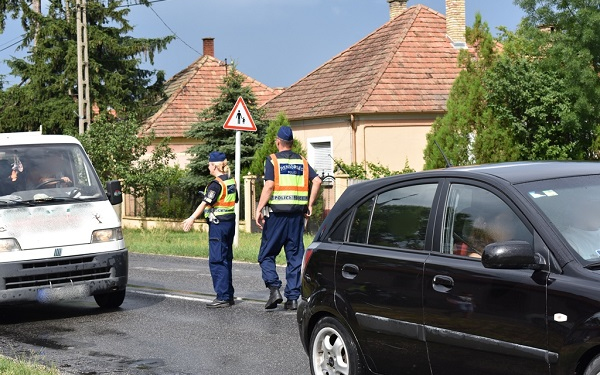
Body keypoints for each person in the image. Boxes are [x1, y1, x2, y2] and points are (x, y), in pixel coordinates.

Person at [255, 126, 322, 310]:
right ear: (291, 143)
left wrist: (259, 208)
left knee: (267, 254)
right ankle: (292, 299)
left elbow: (269, 186)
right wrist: (309, 204)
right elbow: (317, 181)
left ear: (278, 141)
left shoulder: (272, 160)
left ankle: (274, 288)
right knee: (294, 256)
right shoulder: (302, 161)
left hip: (276, 216)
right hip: (296, 217)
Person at [182, 151, 238, 308]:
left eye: (209, 164)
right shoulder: (231, 181)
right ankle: (228, 295)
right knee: (226, 259)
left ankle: (223, 296)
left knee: (217, 260)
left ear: (214, 166)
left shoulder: (216, 184)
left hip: (218, 226)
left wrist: (192, 218)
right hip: (229, 224)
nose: (207, 167)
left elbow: (206, 202)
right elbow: (232, 200)